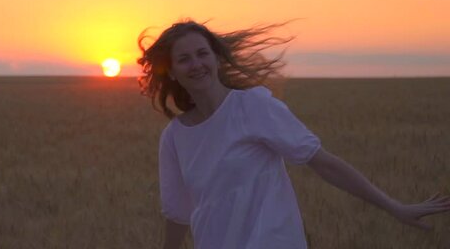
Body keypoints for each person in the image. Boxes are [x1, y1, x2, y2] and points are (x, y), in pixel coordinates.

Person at [136, 19, 450, 249]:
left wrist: (394, 206)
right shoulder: (175, 137)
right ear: (172, 72)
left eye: (202, 53)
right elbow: (178, 215)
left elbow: (322, 162)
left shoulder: (253, 107)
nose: (196, 64)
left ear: (217, 58)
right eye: (184, 58)